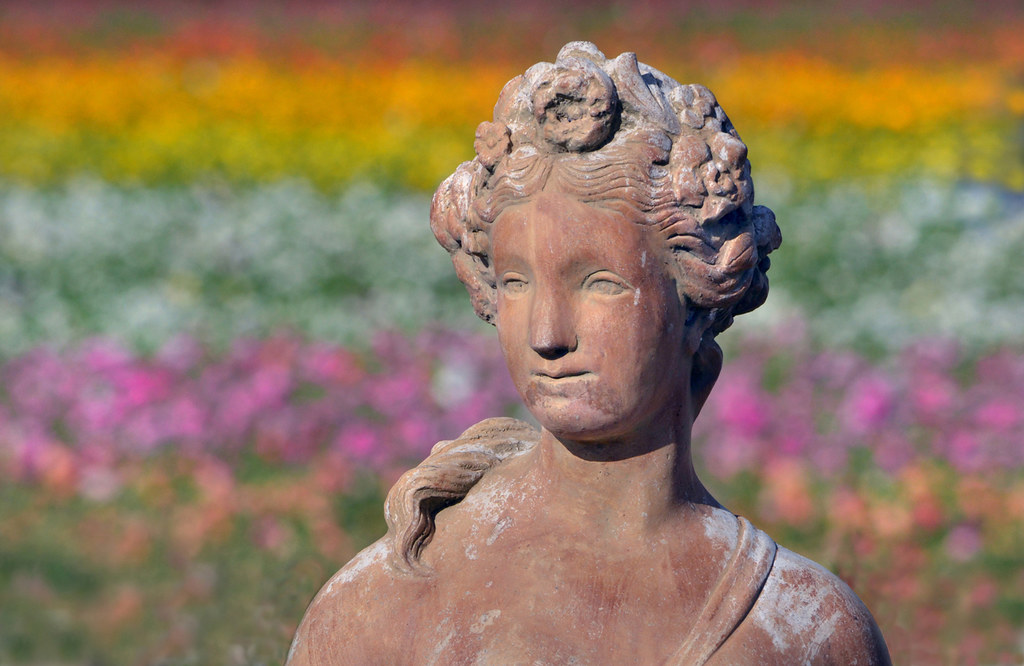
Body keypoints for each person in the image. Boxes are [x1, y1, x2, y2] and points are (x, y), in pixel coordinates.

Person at [287, 42, 891, 665]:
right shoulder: (387, 605)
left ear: (696, 296)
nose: (548, 334)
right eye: (516, 282)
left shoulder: (799, 628)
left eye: (599, 282)